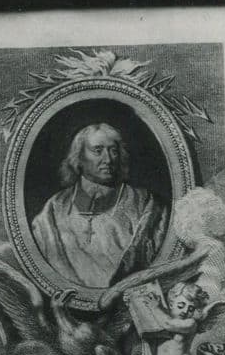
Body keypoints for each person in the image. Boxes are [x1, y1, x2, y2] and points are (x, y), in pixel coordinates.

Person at [31, 123, 168, 287]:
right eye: (97, 151)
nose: (108, 159)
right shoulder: (54, 208)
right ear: (79, 157)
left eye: (113, 151)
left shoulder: (144, 203)